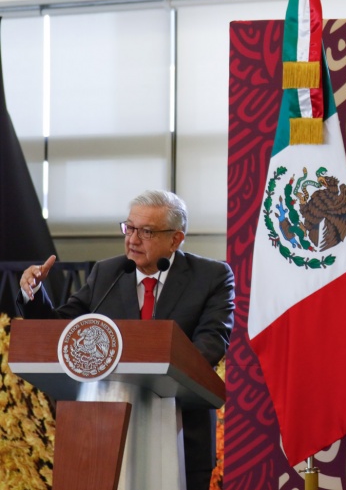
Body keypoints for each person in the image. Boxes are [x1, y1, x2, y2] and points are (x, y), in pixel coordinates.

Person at [17, 189, 235, 490]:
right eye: (129, 228)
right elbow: (62, 329)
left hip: (181, 429)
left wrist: (161, 363)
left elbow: (212, 342)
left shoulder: (211, 276)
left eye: (146, 231)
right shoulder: (108, 272)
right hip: (102, 433)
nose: (132, 239)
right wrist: (34, 294)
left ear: (176, 239)